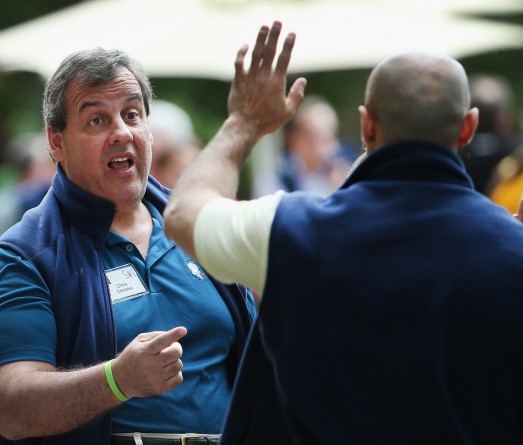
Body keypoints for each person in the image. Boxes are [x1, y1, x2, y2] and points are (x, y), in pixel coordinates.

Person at [164, 21, 523, 444]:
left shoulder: (288, 230)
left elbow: (182, 213)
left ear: (367, 125)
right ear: (468, 127)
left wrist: (244, 123)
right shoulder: (511, 248)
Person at [0, 34, 256, 445]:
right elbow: (9, 407)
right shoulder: (25, 255)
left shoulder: (201, 225)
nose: (122, 132)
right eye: (97, 120)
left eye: (133, 114)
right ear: (56, 142)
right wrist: (116, 380)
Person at [251, 95, 353, 198]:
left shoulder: (345, 173)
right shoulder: (275, 181)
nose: (330, 147)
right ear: (296, 141)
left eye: (332, 136)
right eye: (320, 138)